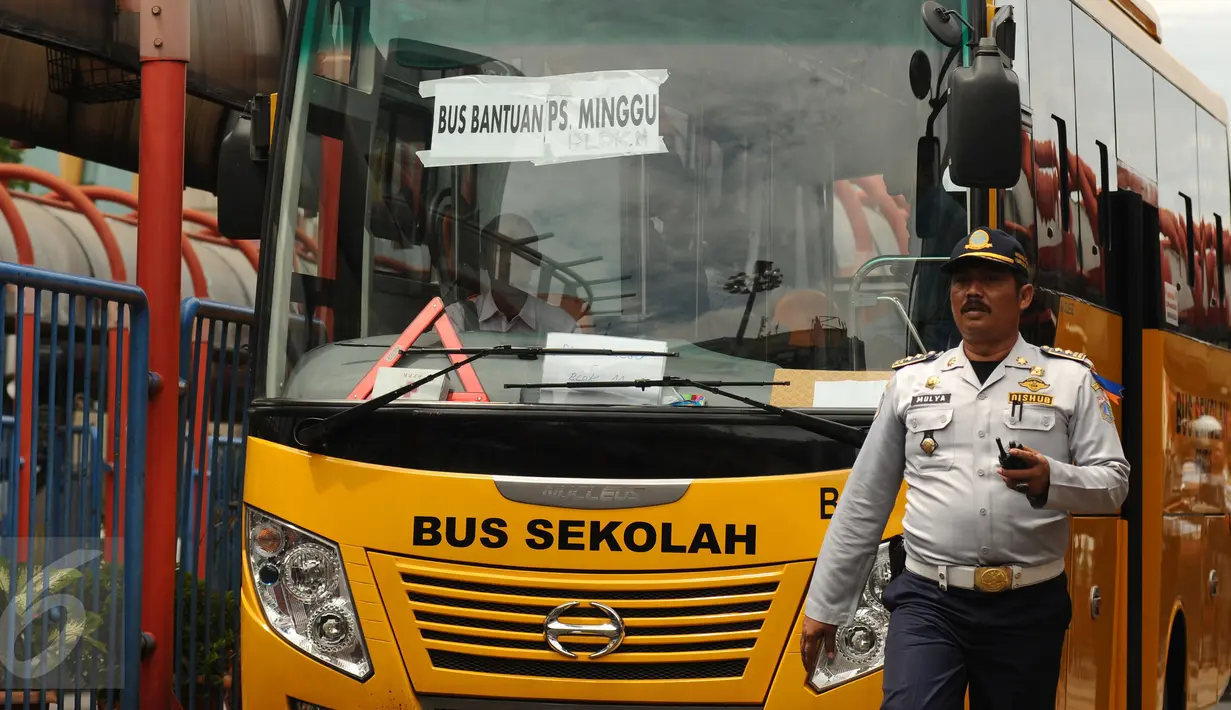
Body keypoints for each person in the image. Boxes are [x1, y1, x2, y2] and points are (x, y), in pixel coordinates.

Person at [799, 227, 1130, 709]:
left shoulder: (1069, 380)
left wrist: (1051, 481)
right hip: (928, 601)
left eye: (990, 279)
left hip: (1027, 605)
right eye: (961, 281)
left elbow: (1114, 486)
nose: (971, 291)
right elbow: (864, 502)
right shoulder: (912, 381)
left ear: (1024, 296)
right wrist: (826, 606)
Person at [443, 213, 580, 334]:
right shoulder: (457, 320)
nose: (510, 260)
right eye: (500, 250)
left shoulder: (563, 328)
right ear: (483, 261)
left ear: (535, 261)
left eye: (520, 251)